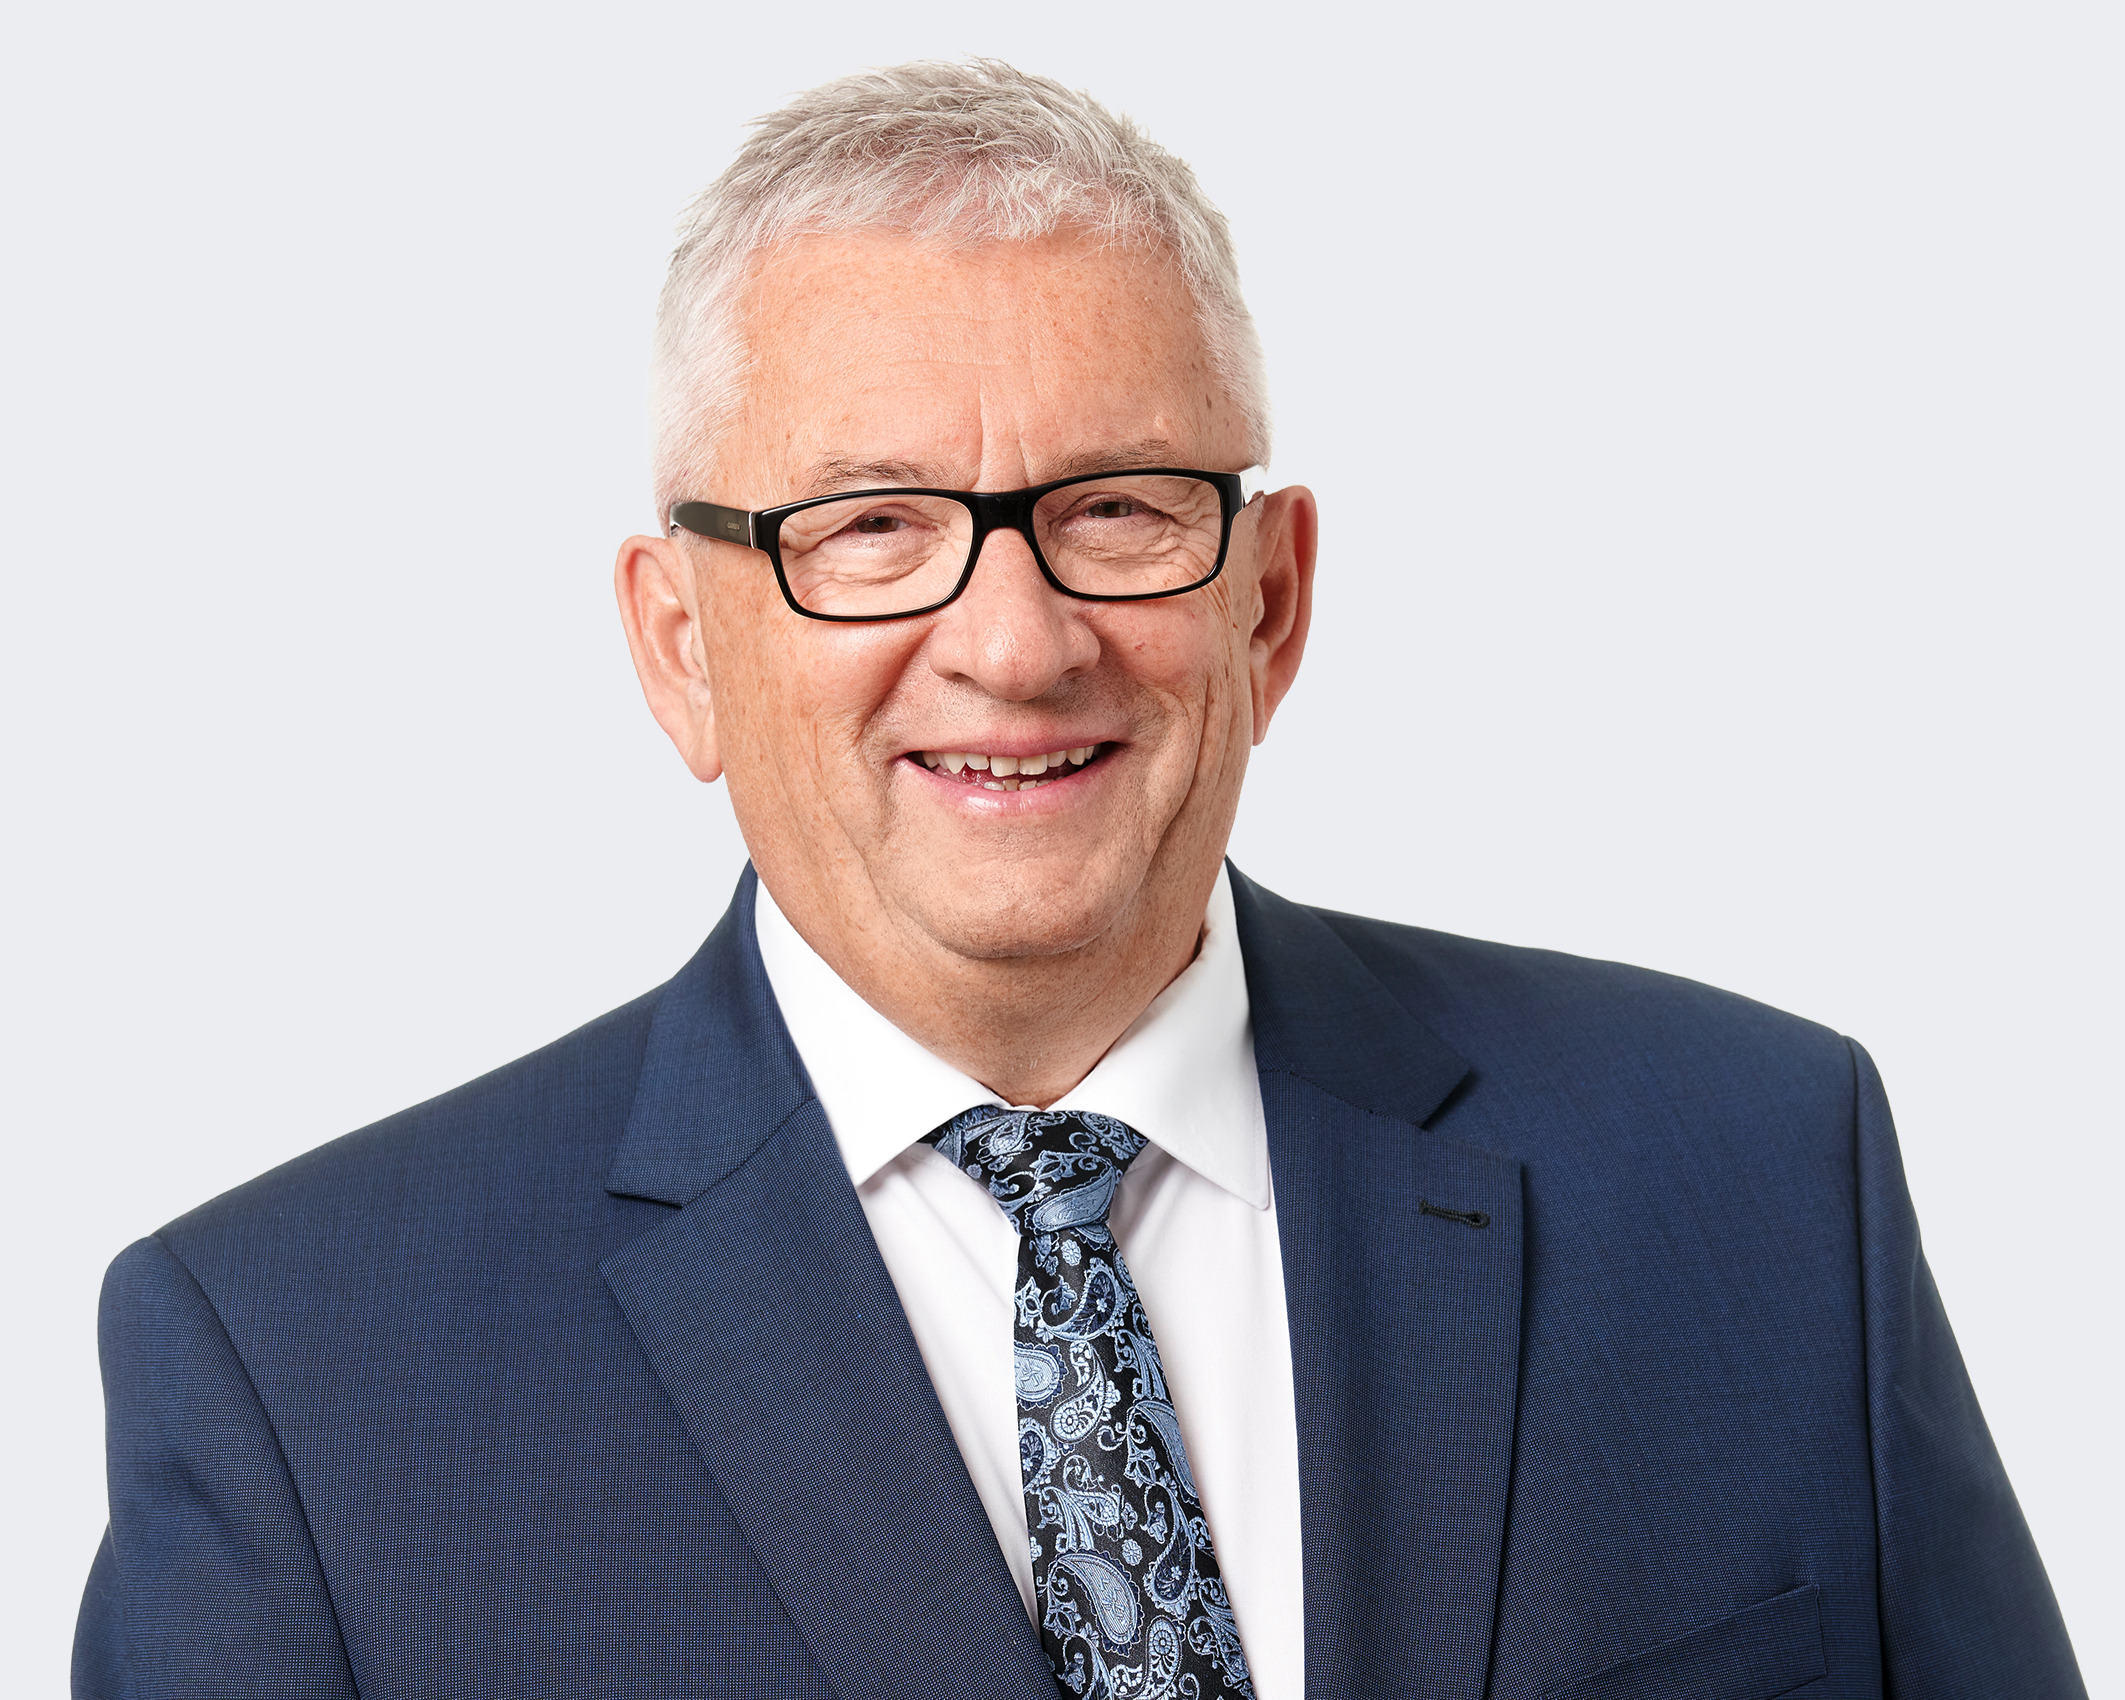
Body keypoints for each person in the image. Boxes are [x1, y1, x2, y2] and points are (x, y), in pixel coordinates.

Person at [74, 59, 2082, 1700]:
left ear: (1269, 602)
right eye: (869, 528)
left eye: (1116, 509)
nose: (1015, 642)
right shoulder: (301, 1383)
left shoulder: (1754, 1175)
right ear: (680, 645)